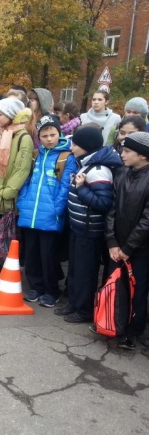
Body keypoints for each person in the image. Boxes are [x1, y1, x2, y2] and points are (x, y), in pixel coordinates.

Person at [54, 126, 122, 323]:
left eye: (75, 143)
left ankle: (84, 310)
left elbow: (104, 203)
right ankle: (74, 304)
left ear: (86, 146)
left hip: (89, 229)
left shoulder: (99, 170)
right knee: (75, 269)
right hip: (78, 227)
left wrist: (81, 188)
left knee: (85, 272)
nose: (71, 146)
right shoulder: (85, 163)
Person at [17, 116, 77, 308]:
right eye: (45, 135)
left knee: (48, 255)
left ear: (59, 134)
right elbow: (25, 181)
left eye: (53, 134)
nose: (49, 139)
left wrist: (56, 210)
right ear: (39, 137)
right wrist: (23, 201)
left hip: (50, 215)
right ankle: (36, 287)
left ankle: (52, 290)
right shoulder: (36, 155)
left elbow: (65, 187)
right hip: (30, 212)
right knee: (31, 253)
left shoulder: (66, 157)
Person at [0, 98, 34, 283]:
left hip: (6, 196)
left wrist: (8, 191)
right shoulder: (2, 135)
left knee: (5, 235)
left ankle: (0, 271)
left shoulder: (23, 137)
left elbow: (21, 168)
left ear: (11, 116)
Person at [105, 131, 149, 350]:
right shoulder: (122, 174)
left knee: (137, 291)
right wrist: (112, 242)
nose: (122, 153)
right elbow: (112, 209)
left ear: (143, 156)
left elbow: (147, 220)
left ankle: (133, 331)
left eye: (128, 150)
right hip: (118, 247)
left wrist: (129, 247)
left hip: (139, 250)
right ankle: (115, 324)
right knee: (118, 287)